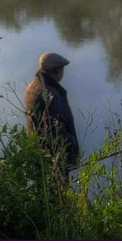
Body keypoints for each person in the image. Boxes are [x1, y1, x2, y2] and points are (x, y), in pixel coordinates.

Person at [24, 51, 80, 182]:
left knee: (44, 194)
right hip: (54, 160)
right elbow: (56, 130)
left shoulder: (32, 86)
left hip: (38, 154)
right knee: (58, 196)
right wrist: (71, 153)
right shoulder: (50, 95)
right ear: (57, 70)